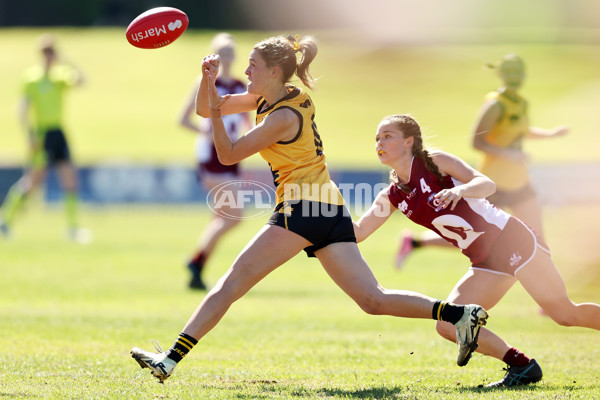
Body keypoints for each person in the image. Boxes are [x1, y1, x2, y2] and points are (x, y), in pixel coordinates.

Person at [130, 35, 489, 383]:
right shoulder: (281, 96)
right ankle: (458, 314)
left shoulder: (280, 117)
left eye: (253, 66)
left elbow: (227, 154)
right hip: (329, 209)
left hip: (301, 208)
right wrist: (208, 81)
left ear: (273, 71)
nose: (246, 71)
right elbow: (205, 108)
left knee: (232, 282)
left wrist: (216, 109)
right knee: (372, 299)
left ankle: (170, 359)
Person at [354, 114, 600, 387]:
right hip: (485, 261)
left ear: (409, 141)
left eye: (387, 136)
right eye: (377, 138)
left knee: (565, 315)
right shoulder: (391, 195)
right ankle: (522, 366)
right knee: (448, 324)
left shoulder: (433, 161)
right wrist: (322, 210)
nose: (380, 142)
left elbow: (487, 184)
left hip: (512, 240)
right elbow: (359, 232)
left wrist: (462, 191)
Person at [395, 54, 568, 269]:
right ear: (500, 74)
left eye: (518, 71)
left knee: (539, 237)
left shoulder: (521, 103)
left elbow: (521, 131)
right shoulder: (495, 104)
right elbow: (477, 142)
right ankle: (415, 242)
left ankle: (548, 299)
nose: (515, 76)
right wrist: (509, 154)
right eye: (510, 71)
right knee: (474, 234)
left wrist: (550, 134)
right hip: (492, 182)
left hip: (519, 181)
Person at [178, 33, 252, 290]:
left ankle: (197, 268)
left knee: (219, 217)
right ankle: (195, 261)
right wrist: (206, 132)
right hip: (211, 157)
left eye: (230, 53)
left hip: (233, 155)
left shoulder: (240, 85)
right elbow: (183, 119)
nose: (227, 59)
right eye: (221, 54)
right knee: (234, 216)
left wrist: (252, 139)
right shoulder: (205, 81)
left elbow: (247, 121)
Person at [0, 34, 91, 244]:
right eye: (46, 52)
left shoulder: (60, 77)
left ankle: (72, 228)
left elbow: (81, 81)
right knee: (33, 182)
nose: (49, 56)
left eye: (51, 52)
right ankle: (5, 219)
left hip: (59, 132)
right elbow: (22, 109)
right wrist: (30, 135)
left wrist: (66, 60)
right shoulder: (32, 79)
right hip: (42, 134)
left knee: (70, 180)